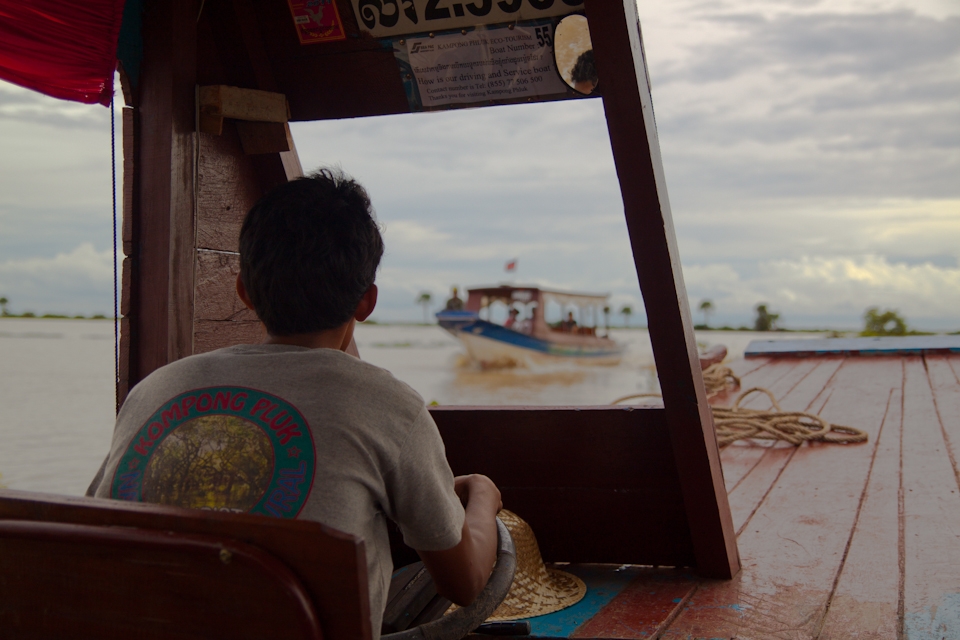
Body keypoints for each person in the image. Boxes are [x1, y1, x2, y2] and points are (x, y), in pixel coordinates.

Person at [86, 169, 501, 635]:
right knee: (486, 554)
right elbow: (464, 583)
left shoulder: (155, 390)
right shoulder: (390, 405)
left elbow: (95, 528)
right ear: (367, 303)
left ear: (243, 291)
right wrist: (483, 494)